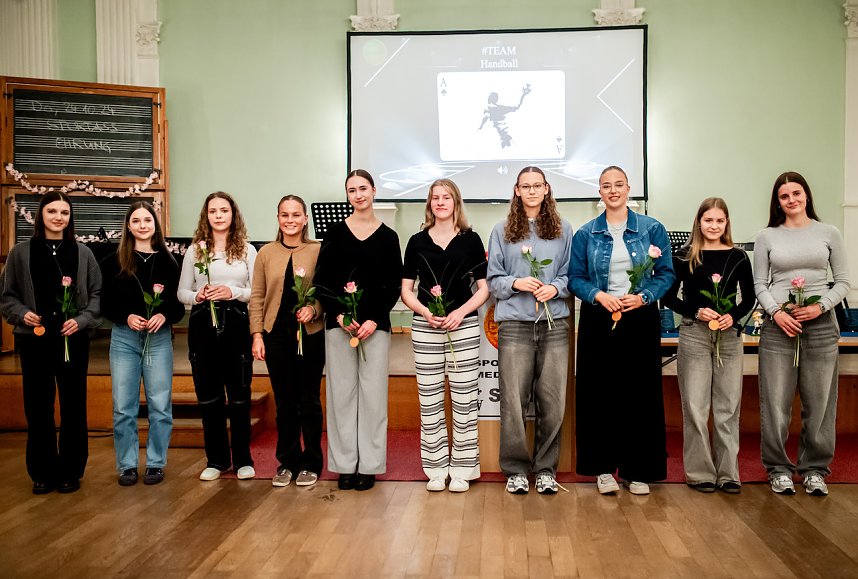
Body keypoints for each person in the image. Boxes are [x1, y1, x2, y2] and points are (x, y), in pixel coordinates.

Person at [569, 165, 674, 496]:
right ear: (599, 193)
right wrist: (598, 296)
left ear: (629, 189)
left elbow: (666, 275)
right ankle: (602, 469)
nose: (612, 190)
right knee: (599, 394)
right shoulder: (586, 233)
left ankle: (638, 469)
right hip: (599, 317)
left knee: (639, 394)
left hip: (639, 317)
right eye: (605, 186)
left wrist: (643, 296)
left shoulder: (652, 229)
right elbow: (575, 278)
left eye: (618, 185)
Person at [754, 171, 849, 496]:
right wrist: (777, 313)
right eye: (784, 196)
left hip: (821, 326)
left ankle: (815, 470)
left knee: (820, 403)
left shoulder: (829, 232)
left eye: (796, 193)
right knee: (776, 403)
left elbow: (844, 281)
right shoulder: (767, 236)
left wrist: (820, 307)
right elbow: (759, 285)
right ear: (777, 202)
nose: (791, 200)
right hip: (779, 327)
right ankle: (778, 469)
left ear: (806, 195)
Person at [0, 192, 101, 494]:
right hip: (35, 341)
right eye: (52, 211)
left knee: (73, 405)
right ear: (41, 215)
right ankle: (42, 472)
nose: (59, 217)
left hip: (73, 340)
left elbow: (96, 296)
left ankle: (70, 470)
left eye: (65, 213)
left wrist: (82, 320)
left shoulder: (83, 253)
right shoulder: (20, 253)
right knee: (38, 406)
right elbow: (7, 297)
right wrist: (22, 314)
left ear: (70, 218)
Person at [314, 169, 403, 491]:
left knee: (373, 398)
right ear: (348, 195)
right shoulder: (335, 233)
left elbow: (393, 285)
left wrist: (373, 319)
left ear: (374, 191)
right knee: (341, 397)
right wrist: (339, 316)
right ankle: (344, 465)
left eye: (363, 188)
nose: (358, 195)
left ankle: (369, 465)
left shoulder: (388, 237)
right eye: (352, 190)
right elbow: (322, 281)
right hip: (340, 328)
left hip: (374, 328)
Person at [486, 166, 573, 495]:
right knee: (513, 401)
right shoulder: (502, 230)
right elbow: (493, 280)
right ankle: (516, 470)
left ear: (547, 189)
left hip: (555, 326)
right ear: (517, 190)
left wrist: (556, 288)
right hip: (515, 327)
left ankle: (547, 469)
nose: (533, 191)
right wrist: (516, 282)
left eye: (538, 185)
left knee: (553, 401)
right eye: (526, 186)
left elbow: (570, 274)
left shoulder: (564, 229)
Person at [401, 179, 489, 493]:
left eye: (446, 197)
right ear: (429, 204)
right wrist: (425, 313)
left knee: (464, 399)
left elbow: (484, 289)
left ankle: (464, 468)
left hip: (461, 327)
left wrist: (460, 313)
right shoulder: (416, 241)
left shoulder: (471, 239)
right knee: (430, 400)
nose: (440, 202)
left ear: (455, 202)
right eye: (435, 197)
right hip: (425, 329)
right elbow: (406, 291)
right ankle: (436, 468)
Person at [663, 198, 754, 494]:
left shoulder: (738, 256)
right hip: (694, 333)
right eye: (708, 220)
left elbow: (749, 298)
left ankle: (728, 473)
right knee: (695, 406)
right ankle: (700, 471)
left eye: (719, 221)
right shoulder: (684, 256)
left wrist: (733, 316)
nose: (714, 226)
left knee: (728, 406)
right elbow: (669, 297)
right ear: (698, 222)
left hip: (728, 336)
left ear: (726, 223)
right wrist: (695, 311)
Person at [103, 201, 184, 486]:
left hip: (158, 339)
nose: (142, 225)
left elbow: (178, 305)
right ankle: (126, 465)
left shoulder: (169, 260)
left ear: (155, 224)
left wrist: (164, 314)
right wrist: (126, 317)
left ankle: (155, 463)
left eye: (147, 220)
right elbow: (105, 304)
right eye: (136, 220)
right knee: (123, 406)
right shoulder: (115, 260)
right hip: (124, 338)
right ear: (128, 225)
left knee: (160, 404)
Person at [178, 192, 257, 481]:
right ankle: (217, 460)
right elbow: (181, 292)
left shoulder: (247, 250)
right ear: (206, 216)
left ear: (233, 215)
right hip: (202, 327)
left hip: (236, 325)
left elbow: (255, 292)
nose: (219, 215)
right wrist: (197, 295)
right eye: (213, 211)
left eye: (224, 210)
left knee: (238, 396)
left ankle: (243, 460)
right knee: (209, 397)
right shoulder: (195, 251)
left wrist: (232, 292)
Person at [250, 195, 325, 488]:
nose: (290, 220)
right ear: (278, 218)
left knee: (309, 401)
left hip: (310, 334)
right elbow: (256, 296)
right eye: (285, 215)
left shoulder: (318, 250)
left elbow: (325, 291)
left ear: (305, 218)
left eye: (296, 215)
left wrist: (314, 309)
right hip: (276, 335)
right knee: (284, 403)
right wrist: (257, 334)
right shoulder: (266, 253)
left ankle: (312, 462)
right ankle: (288, 462)